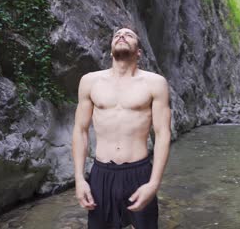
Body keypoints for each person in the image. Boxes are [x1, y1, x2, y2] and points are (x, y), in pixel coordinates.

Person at [71, 25, 171, 229]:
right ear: (110, 50)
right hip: (101, 174)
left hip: (139, 172)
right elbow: (80, 131)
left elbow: (162, 135)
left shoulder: (155, 83)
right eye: (117, 35)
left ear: (139, 52)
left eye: (129, 35)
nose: (121, 36)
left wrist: (153, 184)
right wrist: (80, 179)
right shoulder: (90, 82)